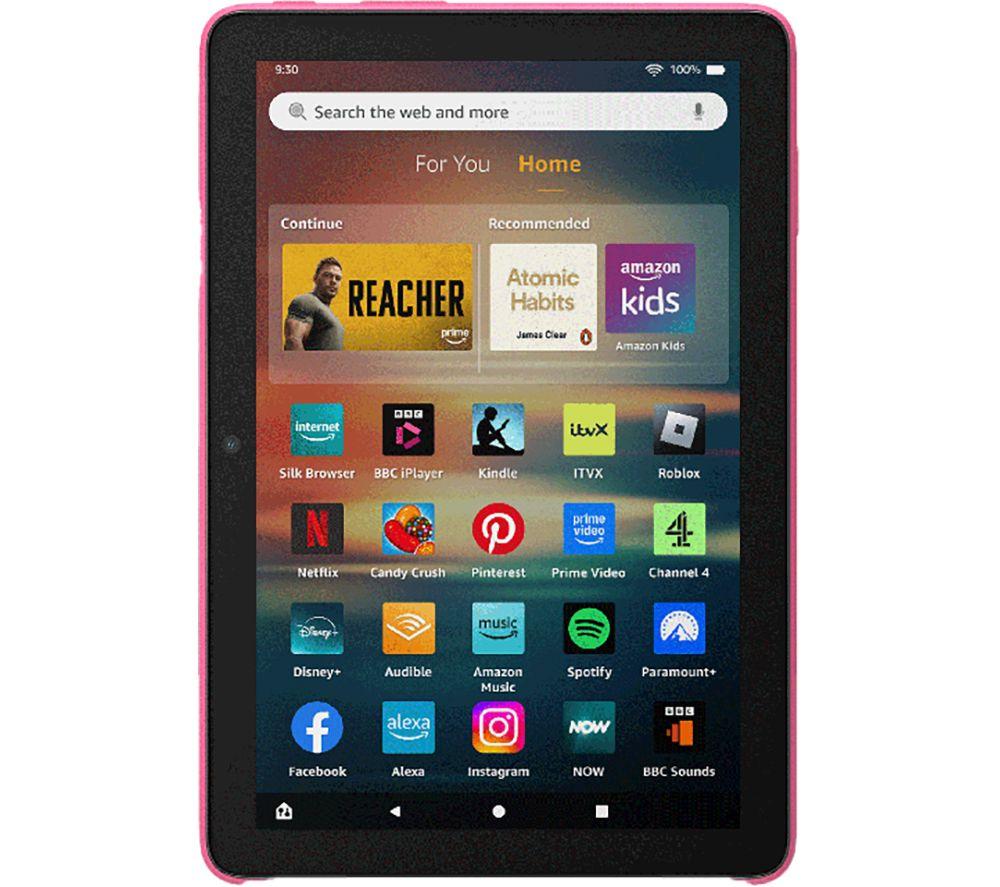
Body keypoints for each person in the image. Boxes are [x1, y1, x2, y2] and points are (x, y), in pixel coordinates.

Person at [284, 257, 346, 350]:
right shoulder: (306, 301)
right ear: (315, 278)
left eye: (338, 278)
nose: (333, 281)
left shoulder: (328, 313)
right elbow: (293, 340)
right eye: (327, 275)